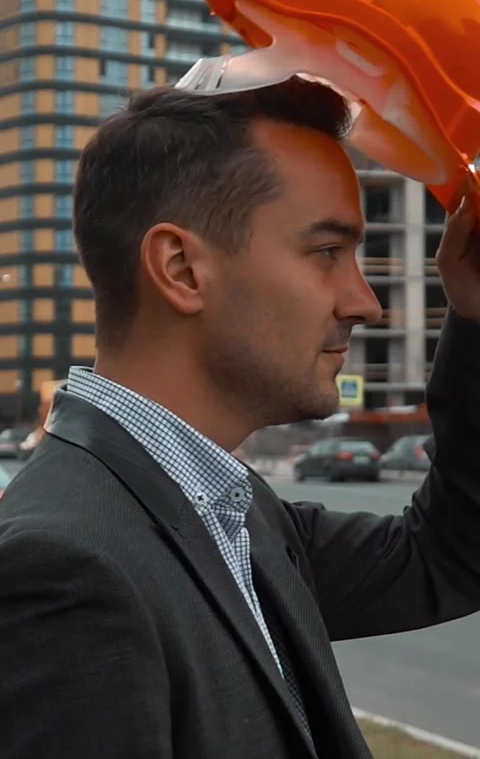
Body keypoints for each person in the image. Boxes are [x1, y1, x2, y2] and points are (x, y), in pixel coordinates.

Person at [1, 79, 480, 759]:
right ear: (183, 269)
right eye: (326, 252)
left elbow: (451, 556)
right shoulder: (63, 569)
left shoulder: (231, 508)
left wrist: (475, 313)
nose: (365, 302)